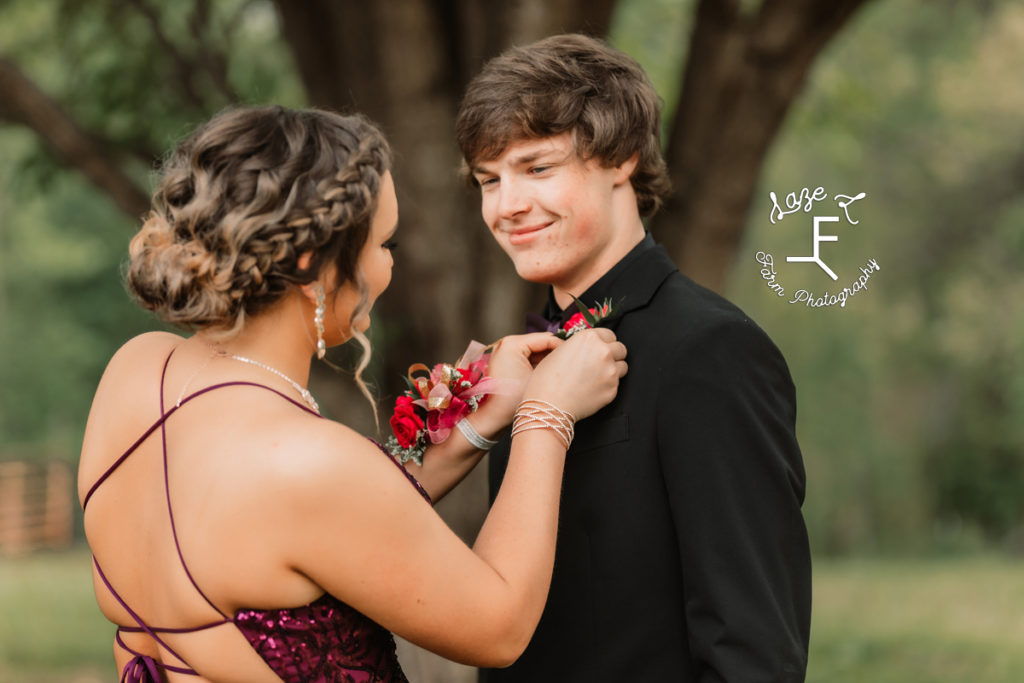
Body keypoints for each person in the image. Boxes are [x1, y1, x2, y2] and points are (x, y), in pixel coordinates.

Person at [77, 105, 627, 683]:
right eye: (383, 243)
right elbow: (500, 628)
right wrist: (547, 412)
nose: (388, 265)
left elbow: (329, 530)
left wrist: (472, 426)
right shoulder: (309, 462)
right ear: (315, 264)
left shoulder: (137, 370)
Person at [456, 34, 811, 682]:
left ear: (620, 158)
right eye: (489, 179)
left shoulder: (709, 351)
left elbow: (753, 651)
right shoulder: (522, 364)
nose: (507, 205)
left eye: (537, 168)